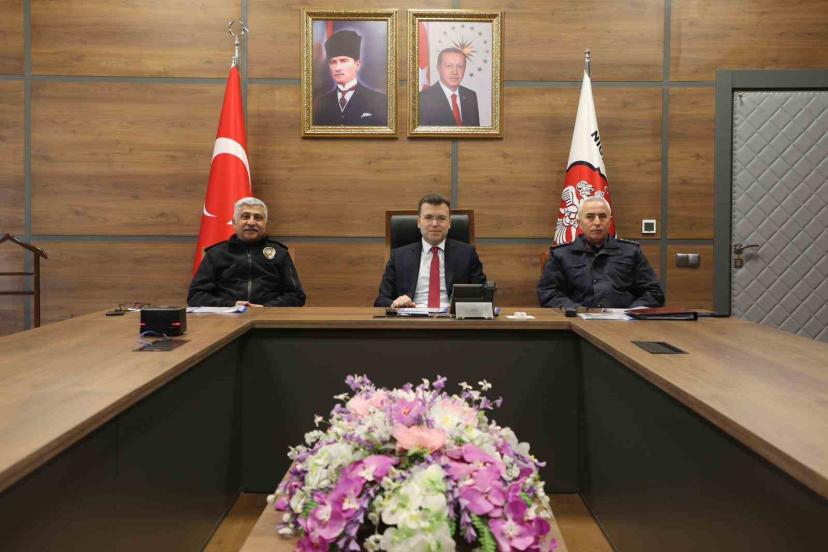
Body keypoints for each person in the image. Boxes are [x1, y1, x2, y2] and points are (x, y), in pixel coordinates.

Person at [537, 196, 664, 309]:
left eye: (602, 216)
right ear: (579, 223)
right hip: (577, 321)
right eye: (590, 217)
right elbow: (548, 292)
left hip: (624, 323)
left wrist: (632, 312)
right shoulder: (561, 254)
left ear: (610, 221)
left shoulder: (631, 252)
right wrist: (574, 310)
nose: (597, 222)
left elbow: (653, 292)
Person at [188, 197, 306, 307]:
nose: (251, 222)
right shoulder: (216, 253)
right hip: (226, 317)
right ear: (234, 223)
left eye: (258, 218)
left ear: (265, 224)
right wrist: (231, 305)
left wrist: (266, 308)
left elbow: (296, 296)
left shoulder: (280, 253)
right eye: (245, 217)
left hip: (267, 317)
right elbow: (195, 296)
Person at [374, 193, 486, 308]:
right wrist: (395, 303)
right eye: (428, 217)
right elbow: (381, 300)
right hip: (412, 315)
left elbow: (484, 296)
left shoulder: (467, 254)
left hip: (452, 317)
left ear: (450, 223)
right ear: (418, 222)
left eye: (441, 218)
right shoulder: (399, 256)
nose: (435, 224)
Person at [313, 29, 388, 126]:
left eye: (343, 61)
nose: (337, 68)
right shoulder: (321, 103)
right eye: (333, 62)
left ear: (357, 65)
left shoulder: (379, 100)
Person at [419, 47, 480, 127]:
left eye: (460, 66)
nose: (454, 72)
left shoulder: (470, 96)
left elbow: (475, 133)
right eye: (449, 66)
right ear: (438, 68)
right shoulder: (423, 99)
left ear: (465, 69)